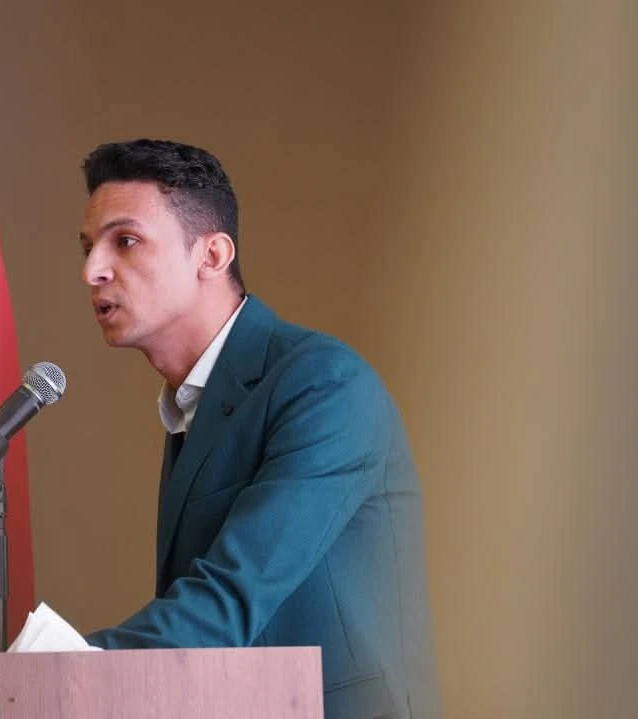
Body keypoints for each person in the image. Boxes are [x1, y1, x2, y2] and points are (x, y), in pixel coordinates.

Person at [77, 139, 441, 719]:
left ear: (212, 255)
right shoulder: (196, 399)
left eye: (125, 241)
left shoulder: (323, 384)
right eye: (88, 246)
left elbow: (228, 598)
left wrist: (59, 667)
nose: (92, 270)